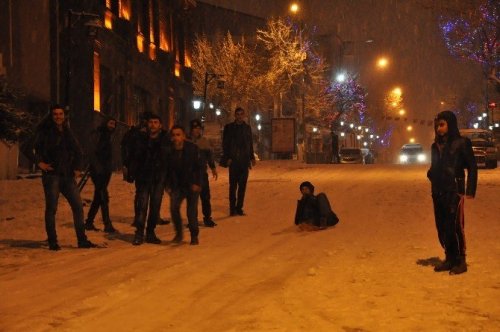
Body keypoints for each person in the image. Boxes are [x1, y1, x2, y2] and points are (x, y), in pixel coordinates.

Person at [34, 105, 96, 250]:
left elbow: (78, 150)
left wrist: (78, 167)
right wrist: (40, 163)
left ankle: (82, 240)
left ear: (64, 115)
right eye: (55, 114)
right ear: (51, 115)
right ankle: (52, 241)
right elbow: (27, 147)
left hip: (67, 175)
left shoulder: (66, 131)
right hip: (52, 175)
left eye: (60, 114)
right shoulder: (44, 131)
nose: (58, 117)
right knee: (51, 209)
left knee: (78, 207)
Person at [427, 110, 477, 275]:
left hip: (454, 190)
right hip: (438, 190)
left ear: (450, 124)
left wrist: (469, 190)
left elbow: (472, 166)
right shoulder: (435, 146)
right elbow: (434, 166)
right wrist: (431, 174)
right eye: (437, 126)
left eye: (442, 125)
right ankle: (449, 257)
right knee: (442, 225)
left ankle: (461, 260)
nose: (439, 129)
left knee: (455, 225)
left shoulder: (462, 143)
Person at [130, 114, 169, 245]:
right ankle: (139, 233)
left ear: (160, 125)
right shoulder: (140, 138)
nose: (153, 125)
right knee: (142, 206)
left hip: (158, 178)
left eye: (156, 122)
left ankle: (151, 232)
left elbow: (168, 159)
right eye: (151, 122)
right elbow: (134, 156)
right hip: (143, 177)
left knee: (155, 207)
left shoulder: (165, 140)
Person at [166, 125, 202, 245]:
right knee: (174, 208)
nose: (176, 137)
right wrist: (168, 185)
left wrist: (197, 183)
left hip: (191, 184)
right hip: (177, 185)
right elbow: (167, 169)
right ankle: (179, 233)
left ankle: (194, 235)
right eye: (174, 135)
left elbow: (200, 167)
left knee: (191, 211)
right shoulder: (169, 150)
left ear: (184, 136)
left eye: (178, 134)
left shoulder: (192, 148)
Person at [84, 117, 117, 233]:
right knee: (103, 196)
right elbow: (92, 151)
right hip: (98, 171)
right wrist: (98, 167)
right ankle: (107, 224)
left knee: (98, 196)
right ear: (105, 123)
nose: (112, 126)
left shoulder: (110, 136)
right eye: (110, 123)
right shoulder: (99, 134)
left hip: (106, 170)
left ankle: (89, 222)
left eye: (114, 124)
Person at [222, 107, 256, 216]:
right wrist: (227, 158)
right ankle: (232, 209)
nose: (240, 116)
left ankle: (239, 207)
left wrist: (252, 157)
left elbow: (249, 144)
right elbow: (225, 144)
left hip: (244, 161)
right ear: (235, 115)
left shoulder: (247, 128)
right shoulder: (229, 128)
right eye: (238, 114)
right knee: (233, 186)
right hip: (234, 161)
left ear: (244, 115)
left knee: (242, 186)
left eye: (241, 114)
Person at [189, 119, 218, 227]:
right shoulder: (187, 141)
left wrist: (213, 168)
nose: (196, 130)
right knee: (192, 199)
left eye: (198, 128)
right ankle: (193, 219)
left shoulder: (204, 141)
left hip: (202, 174)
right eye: (194, 128)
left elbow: (209, 156)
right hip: (190, 174)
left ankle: (207, 218)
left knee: (205, 197)